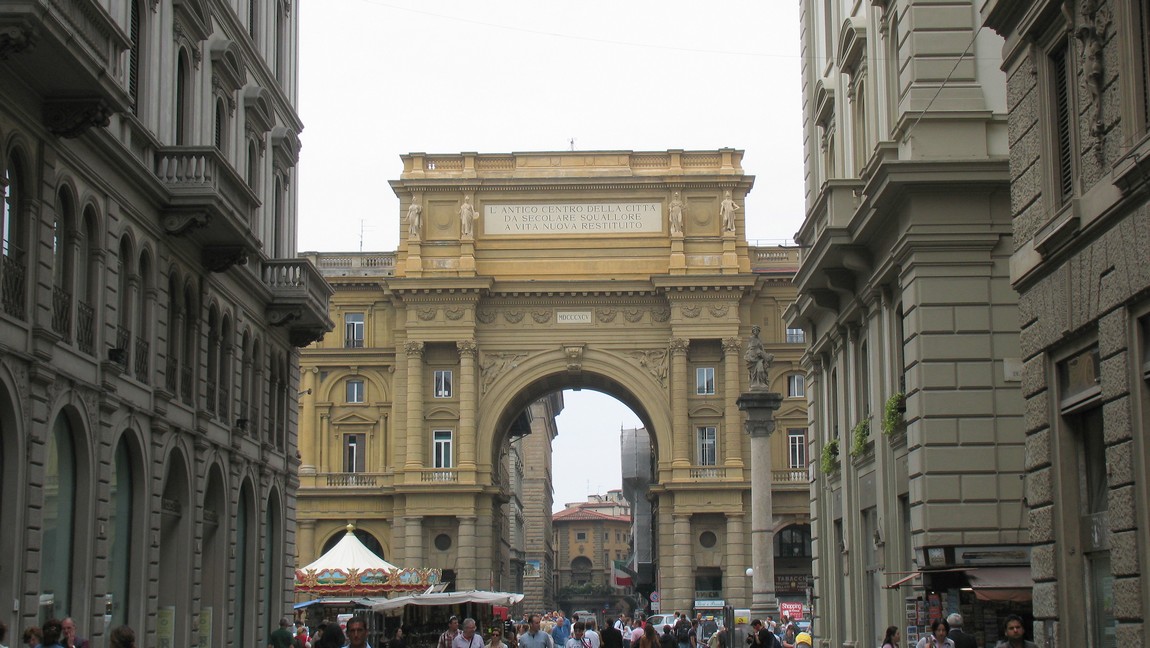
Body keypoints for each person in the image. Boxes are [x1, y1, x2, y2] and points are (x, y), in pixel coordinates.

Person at [744, 325, 773, 389]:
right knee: (754, 371)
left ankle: (760, 382)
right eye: (754, 330)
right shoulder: (751, 338)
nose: (756, 332)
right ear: (753, 331)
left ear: (759, 331)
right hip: (752, 357)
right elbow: (750, 348)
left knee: (760, 370)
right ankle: (755, 382)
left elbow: (762, 349)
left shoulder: (759, 340)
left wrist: (764, 355)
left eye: (757, 330)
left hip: (759, 358)